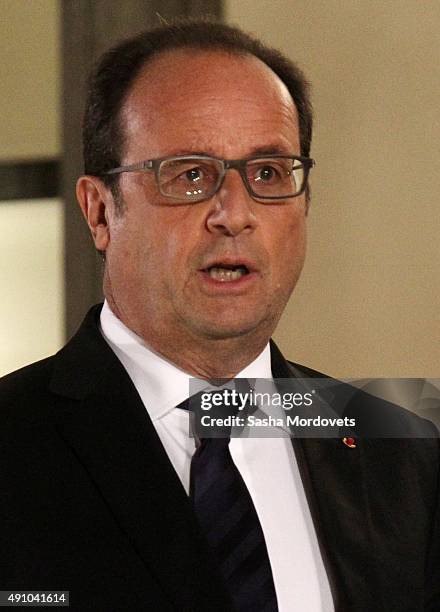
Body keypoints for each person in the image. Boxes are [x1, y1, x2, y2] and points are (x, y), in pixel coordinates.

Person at [0, 19, 439, 612]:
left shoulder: (405, 449)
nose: (234, 214)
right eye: (189, 175)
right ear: (100, 211)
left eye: (268, 174)